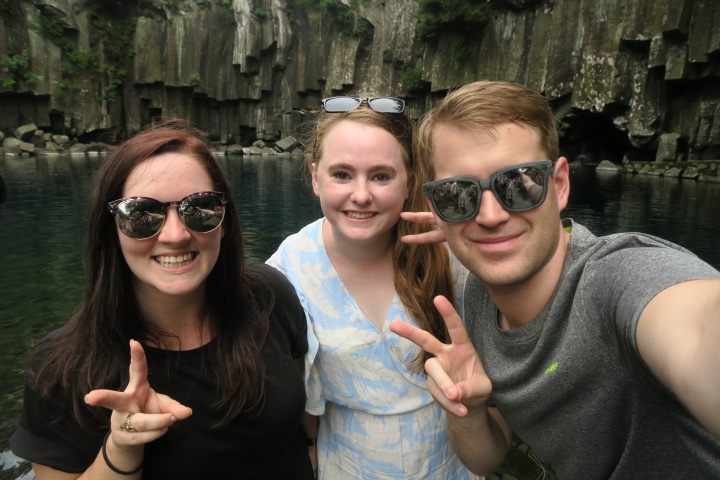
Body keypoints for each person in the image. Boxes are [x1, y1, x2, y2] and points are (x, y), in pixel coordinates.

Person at [390, 80, 720, 479]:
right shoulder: (479, 299)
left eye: (518, 184)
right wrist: (469, 411)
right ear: (436, 209)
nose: (490, 216)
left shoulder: (616, 278)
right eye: (458, 194)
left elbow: (697, 327)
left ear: (559, 185)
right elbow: (486, 459)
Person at [10, 119, 314, 479]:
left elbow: (300, 412)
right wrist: (122, 444)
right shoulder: (61, 370)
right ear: (111, 230)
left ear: (226, 221)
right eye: (141, 214)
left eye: (200, 208)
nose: (174, 235)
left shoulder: (270, 296)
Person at [266, 96, 479, 479]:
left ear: (409, 182)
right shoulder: (289, 270)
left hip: (450, 463)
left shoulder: (448, 253)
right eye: (342, 174)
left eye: (381, 176)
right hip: (347, 466)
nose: (361, 195)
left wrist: (472, 243)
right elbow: (291, 389)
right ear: (315, 178)